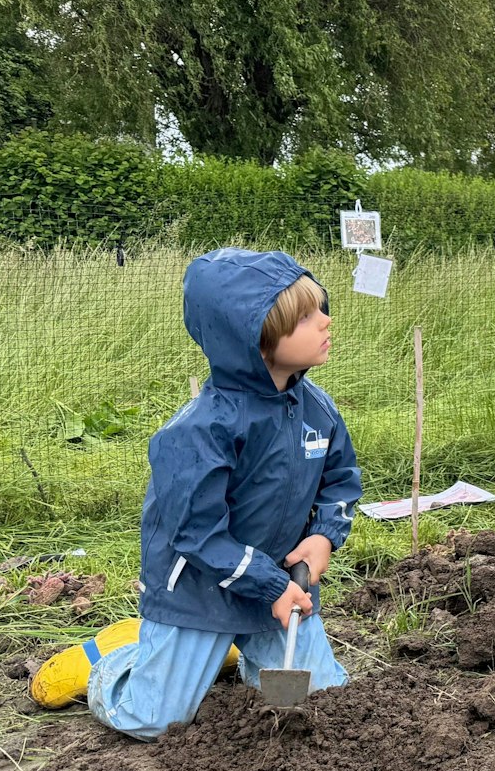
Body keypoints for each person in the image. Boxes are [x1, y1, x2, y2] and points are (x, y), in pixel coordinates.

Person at [28, 250, 360, 740]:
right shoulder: (199, 432)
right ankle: (115, 660)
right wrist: (269, 586)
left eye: (320, 307)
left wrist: (324, 539)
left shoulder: (317, 409)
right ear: (255, 340)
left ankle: (229, 652)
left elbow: (341, 480)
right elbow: (197, 533)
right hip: (199, 590)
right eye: (306, 317)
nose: (326, 320)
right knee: (154, 723)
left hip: (280, 584)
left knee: (325, 700)